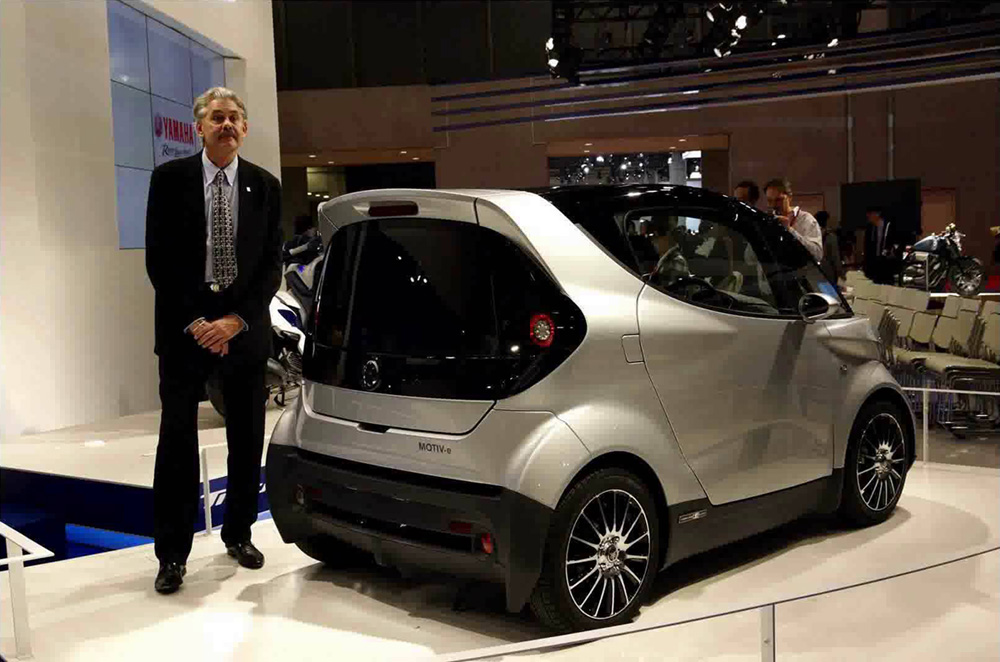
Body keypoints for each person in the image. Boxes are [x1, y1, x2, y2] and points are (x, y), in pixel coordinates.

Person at [145, 87, 282, 594]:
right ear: (199, 127)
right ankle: (171, 555)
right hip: (185, 334)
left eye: (234, 118)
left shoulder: (265, 186)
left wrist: (235, 322)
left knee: (246, 441)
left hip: (242, 334)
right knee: (176, 443)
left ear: (244, 129)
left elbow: (270, 265)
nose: (226, 125)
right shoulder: (169, 180)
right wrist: (200, 322)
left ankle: (239, 533)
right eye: (217, 117)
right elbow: (159, 260)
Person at [764, 178, 823, 262]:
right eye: (769, 201)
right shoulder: (766, 221)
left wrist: (789, 230)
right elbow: (749, 259)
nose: (773, 205)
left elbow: (817, 254)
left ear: (790, 197)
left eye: (778, 200)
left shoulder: (806, 219)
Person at [863, 206, 900, 284]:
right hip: (874, 263)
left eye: (871, 214)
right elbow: (867, 247)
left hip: (886, 262)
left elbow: (895, 243)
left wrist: (890, 251)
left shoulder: (889, 226)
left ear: (878, 214)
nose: (868, 216)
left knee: (887, 284)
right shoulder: (870, 228)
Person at [815, 211, 844, 283]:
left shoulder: (813, 234)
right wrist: (840, 273)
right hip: (828, 272)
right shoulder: (830, 237)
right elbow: (835, 257)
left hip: (815, 272)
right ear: (826, 221)